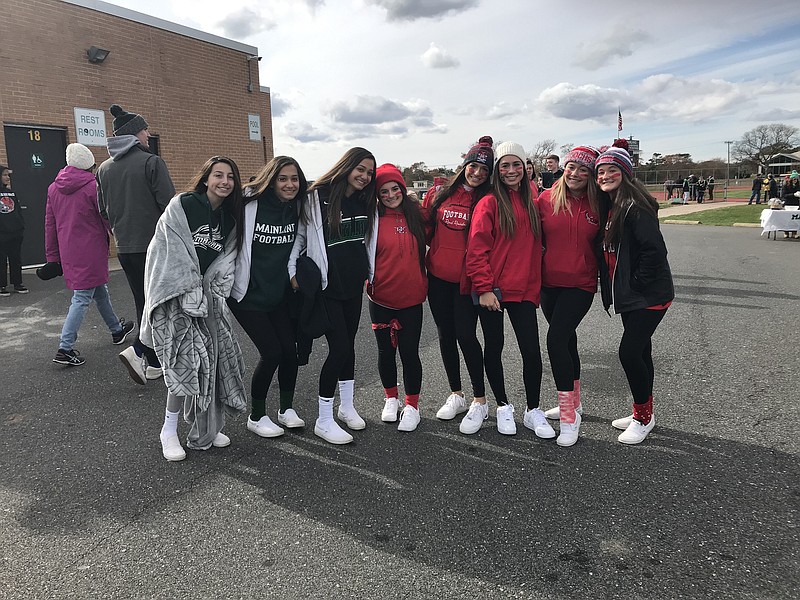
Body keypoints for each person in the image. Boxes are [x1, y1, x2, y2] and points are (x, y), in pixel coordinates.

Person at [141, 156, 247, 462]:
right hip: (178, 299)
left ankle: (207, 425)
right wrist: (186, 288)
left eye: (230, 177)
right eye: (218, 175)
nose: (224, 181)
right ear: (206, 179)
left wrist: (215, 289)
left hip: (209, 303)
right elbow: (166, 250)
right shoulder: (185, 205)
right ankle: (168, 430)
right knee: (183, 364)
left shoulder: (228, 219)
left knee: (209, 364)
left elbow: (226, 262)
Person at [288, 147, 377, 445]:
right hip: (327, 287)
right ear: (347, 166)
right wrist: (293, 272)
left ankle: (346, 406)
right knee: (338, 348)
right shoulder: (317, 196)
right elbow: (301, 237)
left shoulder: (367, 200)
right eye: (360, 169)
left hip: (354, 286)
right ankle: (323, 419)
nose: (364, 176)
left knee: (348, 346)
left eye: (369, 172)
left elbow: (367, 242)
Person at [465, 141, 552, 438]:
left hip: (525, 289)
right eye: (505, 165)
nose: (511, 170)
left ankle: (533, 409)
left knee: (531, 351)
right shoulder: (488, 203)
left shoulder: (535, 201)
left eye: (516, 164)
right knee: (495, 347)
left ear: (526, 167)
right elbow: (476, 250)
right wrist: (485, 288)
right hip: (495, 292)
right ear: (498, 170)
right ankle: (503, 406)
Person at [596, 145, 674, 445]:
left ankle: (643, 418)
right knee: (642, 351)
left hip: (648, 294)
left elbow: (655, 250)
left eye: (612, 170)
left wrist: (638, 283)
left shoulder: (635, 205)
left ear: (625, 173)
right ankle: (644, 411)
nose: (605, 176)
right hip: (631, 294)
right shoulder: (613, 204)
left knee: (629, 353)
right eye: (601, 171)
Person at [229, 156, 308, 438]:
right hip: (247, 295)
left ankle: (286, 409)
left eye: (294, 179)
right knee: (272, 352)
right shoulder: (248, 202)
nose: (289, 184)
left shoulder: (299, 207)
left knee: (291, 351)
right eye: (282, 179)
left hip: (279, 294)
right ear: (271, 180)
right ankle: (256, 415)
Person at [97, 104, 175, 385]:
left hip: (125, 248)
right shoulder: (151, 162)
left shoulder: (104, 169)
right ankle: (141, 351)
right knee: (160, 303)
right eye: (144, 130)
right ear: (133, 134)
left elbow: (102, 209)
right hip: (154, 246)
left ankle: (153, 361)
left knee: (143, 301)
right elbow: (170, 206)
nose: (148, 134)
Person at [422, 137, 493, 427]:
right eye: (473, 166)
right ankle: (456, 393)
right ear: (464, 165)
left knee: (466, 336)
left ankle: (480, 399)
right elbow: (426, 230)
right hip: (438, 278)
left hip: (467, 281)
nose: (476, 173)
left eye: (484, 170)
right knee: (444, 335)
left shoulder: (488, 199)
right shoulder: (440, 194)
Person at [46, 143, 134, 366]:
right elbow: (105, 215)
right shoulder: (92, 187)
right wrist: (120, 235)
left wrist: (52, 257)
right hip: (91, 248)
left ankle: (116, 329)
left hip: (69, 250)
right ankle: (65, 348)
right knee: (83, 297)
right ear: (89, 166)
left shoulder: (53, 189)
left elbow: (50, 224)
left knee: (99, 291)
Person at [538, 146, 603, 446]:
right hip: (548, 284)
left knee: (555, 341)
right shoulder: (545, 199)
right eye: (572, 167)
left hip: (581, 285)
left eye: (583, 170)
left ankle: (568, 416)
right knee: (567, 341)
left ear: (590, 175)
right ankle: (575, 402)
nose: (575, 174)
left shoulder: (599, 203)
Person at [367, 164, 428, 432]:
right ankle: (390, 398)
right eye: (384, 191)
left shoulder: (418, 215)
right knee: (385, 352)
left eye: (395, 189)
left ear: (403, 188)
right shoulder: (372, 218)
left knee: (410, 353)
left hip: (412, 298)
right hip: (380, 298)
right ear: (377, 195)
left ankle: (412, 405)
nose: (391, 195)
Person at [0, 165, 28, 296]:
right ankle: (2, 285)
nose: (7, 177)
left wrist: (20, 226)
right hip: (2, 233)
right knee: (1, 259)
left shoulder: (12, 193)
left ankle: (17, 283)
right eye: (4, 175)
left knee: (15, 259)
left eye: (8, 175)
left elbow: (17, 211)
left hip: (15, 232)